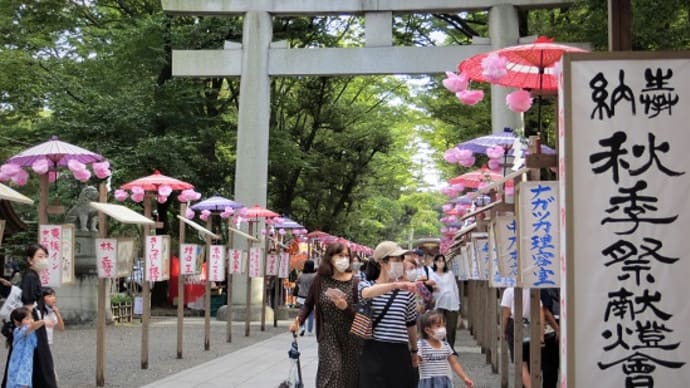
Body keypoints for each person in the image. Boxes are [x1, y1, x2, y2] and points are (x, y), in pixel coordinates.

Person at [289, 242, 362, 388]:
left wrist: (345, 308)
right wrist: (299, 320)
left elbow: (362, 315)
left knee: (349, 378)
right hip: (327, 333)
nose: (344, 259)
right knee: (332, 372)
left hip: (351, 336)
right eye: (340, 255)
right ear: (330, 257)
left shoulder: (355, 282)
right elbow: (309, 303)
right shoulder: (320, 280)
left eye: (347, 256)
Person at [358, 241, 418, 388]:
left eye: (401, 260)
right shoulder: (366, 285)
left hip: (399, 352)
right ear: (382, 263)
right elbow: (365, 294)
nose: (400, 263)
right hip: (373, 351)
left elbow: (411, 324)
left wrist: (415, 350)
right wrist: (395, 285)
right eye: (396, 260)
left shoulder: (407, 292)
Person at [19, 243, 58, 388]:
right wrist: (33, 323)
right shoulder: (30, 276)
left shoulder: (33, 276)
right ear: (30, 260)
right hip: (33, 321)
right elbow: (28, 302)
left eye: (46, 256)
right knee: (40, 359)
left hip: (36, 320)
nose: (44, 260)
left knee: (39, 359)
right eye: (40, 257)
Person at [416, 310, 474, 388]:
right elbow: (416, 361)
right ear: (427, 330)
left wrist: (465, 378)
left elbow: (454, 363)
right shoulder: (421, 345)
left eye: (443, 325)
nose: (442, 328)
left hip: (444, 382)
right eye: (438, 326)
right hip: (428, 383)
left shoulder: (446, 345)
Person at [500, 287, 545, 388]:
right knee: (530, 360)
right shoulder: (533, 289)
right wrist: (541, 333)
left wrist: (503, 330)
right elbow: (541, 311)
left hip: (514, 324)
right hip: (531, 324)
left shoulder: (509, 290)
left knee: (520, 362)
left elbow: (506, 313)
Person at [4, 306, 45, 388]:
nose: (31, 320)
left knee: (24, 384)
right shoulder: (18, 330)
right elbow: (32, 326)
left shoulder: (30, 331)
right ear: (17, 322)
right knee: (18, 383)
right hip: (18, 364)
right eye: (27, 319)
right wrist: (44, 321)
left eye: (31, 318)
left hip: (26, 364)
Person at [429, 254, 461, 355]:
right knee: (439, 326)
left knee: (451, 326)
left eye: (442, 261)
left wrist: (458, 301)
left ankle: (451, 347)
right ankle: (441, 347)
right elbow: (429, 287)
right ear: (435, 262)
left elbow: (455, 287)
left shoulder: (449, 274)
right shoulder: (432, 274)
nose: (441, 263)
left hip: (452, 303)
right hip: (439, 303)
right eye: (438, 261)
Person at [294, 260, 317, 336]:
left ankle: (302, 327)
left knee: (301, 313)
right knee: (310, 314)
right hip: (310, 297)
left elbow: (297, 282)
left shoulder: (301, 275)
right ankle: (309, 330)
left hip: (301, 296)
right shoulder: (314, 276)